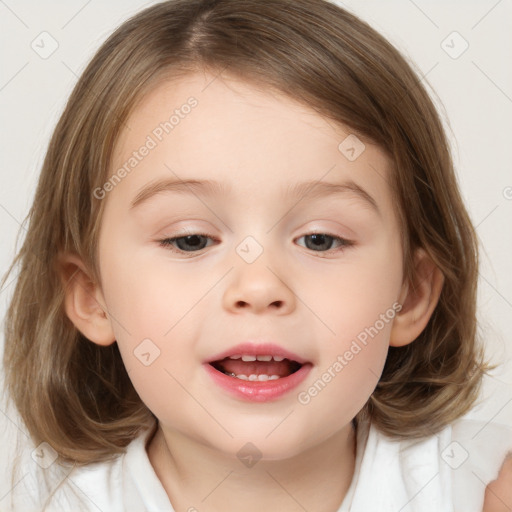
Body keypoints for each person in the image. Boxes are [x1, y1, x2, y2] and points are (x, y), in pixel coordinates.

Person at [1, 0, 511, 510]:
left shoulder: (482, 488)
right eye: (190, 240)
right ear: (91, 295)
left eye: (320, 239)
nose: (259, 287)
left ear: (411, 294)